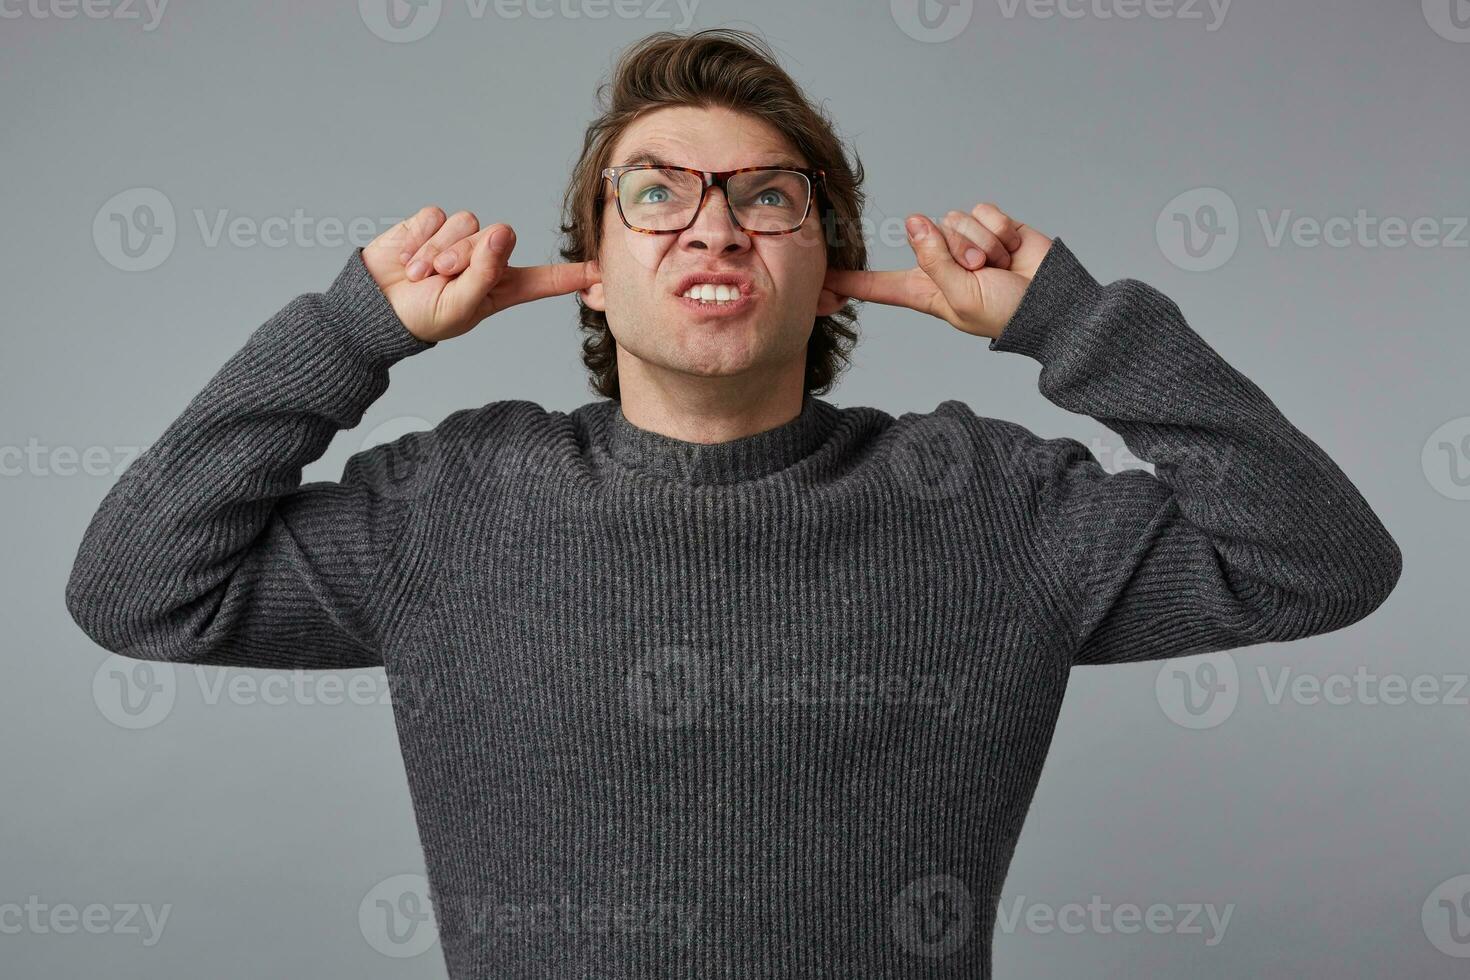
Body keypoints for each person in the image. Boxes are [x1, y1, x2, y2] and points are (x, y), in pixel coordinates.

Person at [64, 28, 1401, 979]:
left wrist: (1071, 322)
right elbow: (138, 590)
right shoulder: (454, 501)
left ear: (831, 272)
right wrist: (352, 332)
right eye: (656, 195)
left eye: (768, 198)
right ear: (592, 267)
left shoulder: (991, 503)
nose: (713, 228)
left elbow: (1319, 564)